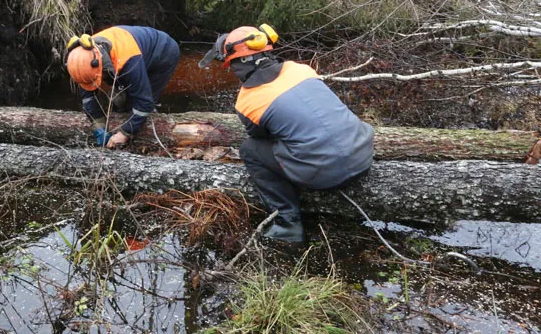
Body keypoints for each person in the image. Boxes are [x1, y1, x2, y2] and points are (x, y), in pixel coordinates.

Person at [199, 25, 374, 244]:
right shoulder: (301, 69)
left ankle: (287, 222)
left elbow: (261, 138)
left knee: (249, 150)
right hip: (363, 154)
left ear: (236, 64)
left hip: (325, 175)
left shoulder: (247, 101)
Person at [66, 26, 180, 148]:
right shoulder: (83, 57)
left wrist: (125, 133)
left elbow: (144, 102)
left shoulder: (128, 61)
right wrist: (99, 126)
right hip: (131, 53)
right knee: (118, 100)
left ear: (101, 66)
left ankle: (150, 127)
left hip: (164, 52)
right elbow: (88, 97)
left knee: (142, 100)